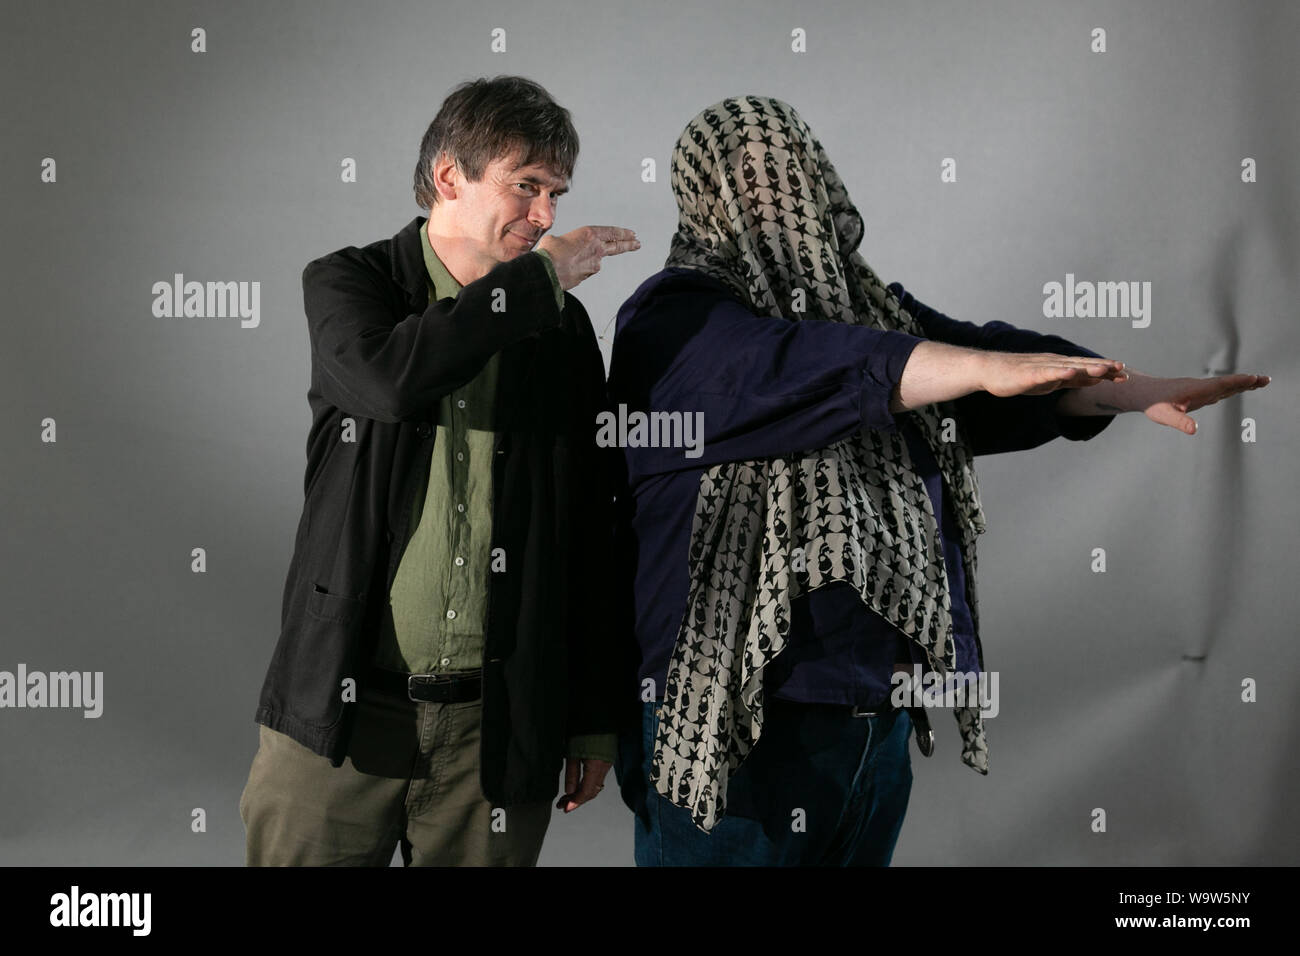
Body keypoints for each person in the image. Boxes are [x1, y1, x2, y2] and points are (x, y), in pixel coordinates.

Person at [607, 94, 1269, 866]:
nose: (779, 190)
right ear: (703, 197)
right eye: (748, 176)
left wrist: (1119, 387)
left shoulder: (874, 315)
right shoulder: (674, 320)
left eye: (793, 166)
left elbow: (970, 370)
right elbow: (789, 368)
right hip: (732, 724)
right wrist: (970, 369)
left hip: (868, 720)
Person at [239, 75, 640, 866]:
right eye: (526, 187)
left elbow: (591, 525)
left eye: (557, 192)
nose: (547, 216)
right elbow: (391, 380)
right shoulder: (350, 283)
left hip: (496, 730)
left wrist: (593, 718)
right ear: (450, 177)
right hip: (345, 711)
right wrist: (540, 280)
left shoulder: (560, 330)